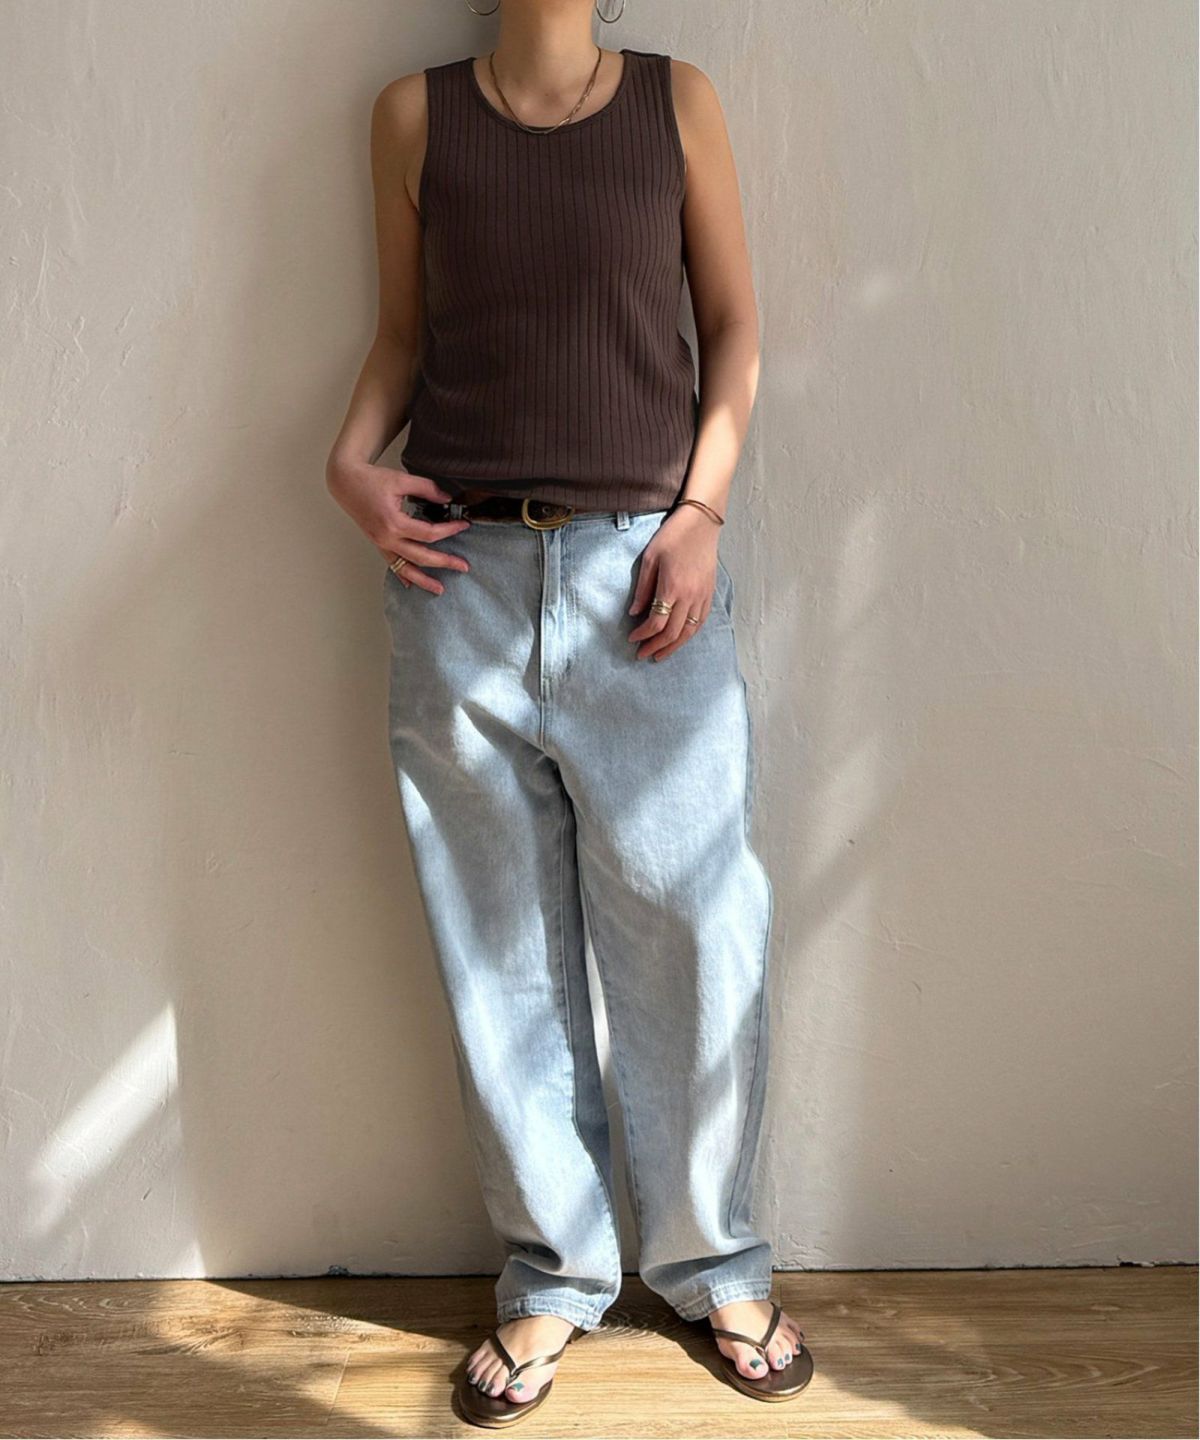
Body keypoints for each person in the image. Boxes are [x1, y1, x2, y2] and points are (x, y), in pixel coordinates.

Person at [325, 0, 813, 1425]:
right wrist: (348, 465)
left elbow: (734, 326)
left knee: (698, 927)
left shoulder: (677, 102)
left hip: (645, 580)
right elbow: (402, 334)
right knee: (498, 953)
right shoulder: (412, 116)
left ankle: (716, 1261)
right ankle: (552, 1274)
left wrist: (700, 513)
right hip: (457, 578)